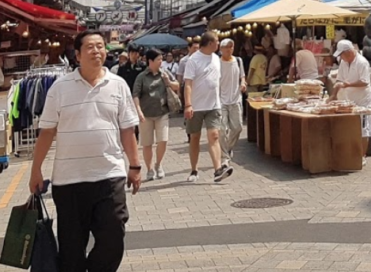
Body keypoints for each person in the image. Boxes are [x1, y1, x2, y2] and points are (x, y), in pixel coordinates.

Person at [29, 30, 141, 272]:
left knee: (113, 237)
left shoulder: (118, 85)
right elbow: (47, 132)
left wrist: (135, 165)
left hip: (109, 175)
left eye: (100, 46)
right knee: (71, 249)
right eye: (90, 47)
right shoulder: (60, 88)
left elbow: (127, 129)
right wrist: (35, 170)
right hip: (69, 181)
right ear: (77, 55)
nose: (97, 51)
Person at [183, 31, 233, 184]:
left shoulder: (216, 59)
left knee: (214, 136)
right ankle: (194, 169)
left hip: (213, 105)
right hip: (196, 106)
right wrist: (188, 104)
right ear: (210, 43)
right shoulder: (193, 60)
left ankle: (217, 169)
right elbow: (188, 84)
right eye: (217, 41)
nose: (219, 44)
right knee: (195, 138)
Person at [132, 49, 179, 181]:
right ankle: (149, 169)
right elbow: (135, 94)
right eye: (158, 59)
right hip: (145, 115)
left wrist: (168, 82)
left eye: (161, 59)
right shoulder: (141, 77)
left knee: (163, 140)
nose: (161, 62)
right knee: (147, 144)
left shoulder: (164, 73)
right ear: (150, 61)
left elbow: (177, 86)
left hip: (162, 112)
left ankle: (158, 164)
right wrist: (139, 111)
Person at [332, 39, 371, 163]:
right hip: (349, 98)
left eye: (342, 54)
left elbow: (364, 81)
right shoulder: (343, 62)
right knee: (349, 126)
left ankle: (362, 155)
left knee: (364, 128)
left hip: (363, 99)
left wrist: (348, 84)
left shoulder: (362, 62)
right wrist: (333, 95)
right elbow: (339, 80)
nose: (341, 57)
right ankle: (350, 153)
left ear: (349, 52)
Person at [218, 38, 246, 164]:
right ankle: (224, 156)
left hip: (235, 99)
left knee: (238, 127)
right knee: (222, 130)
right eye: (226, 47)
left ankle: (228, 148)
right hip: (221, 101)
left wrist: (243, 83)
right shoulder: (217, 63)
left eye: (231, 47)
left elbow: (242, 76)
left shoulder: (238, 61)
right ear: (221, 49)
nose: (229, 49)